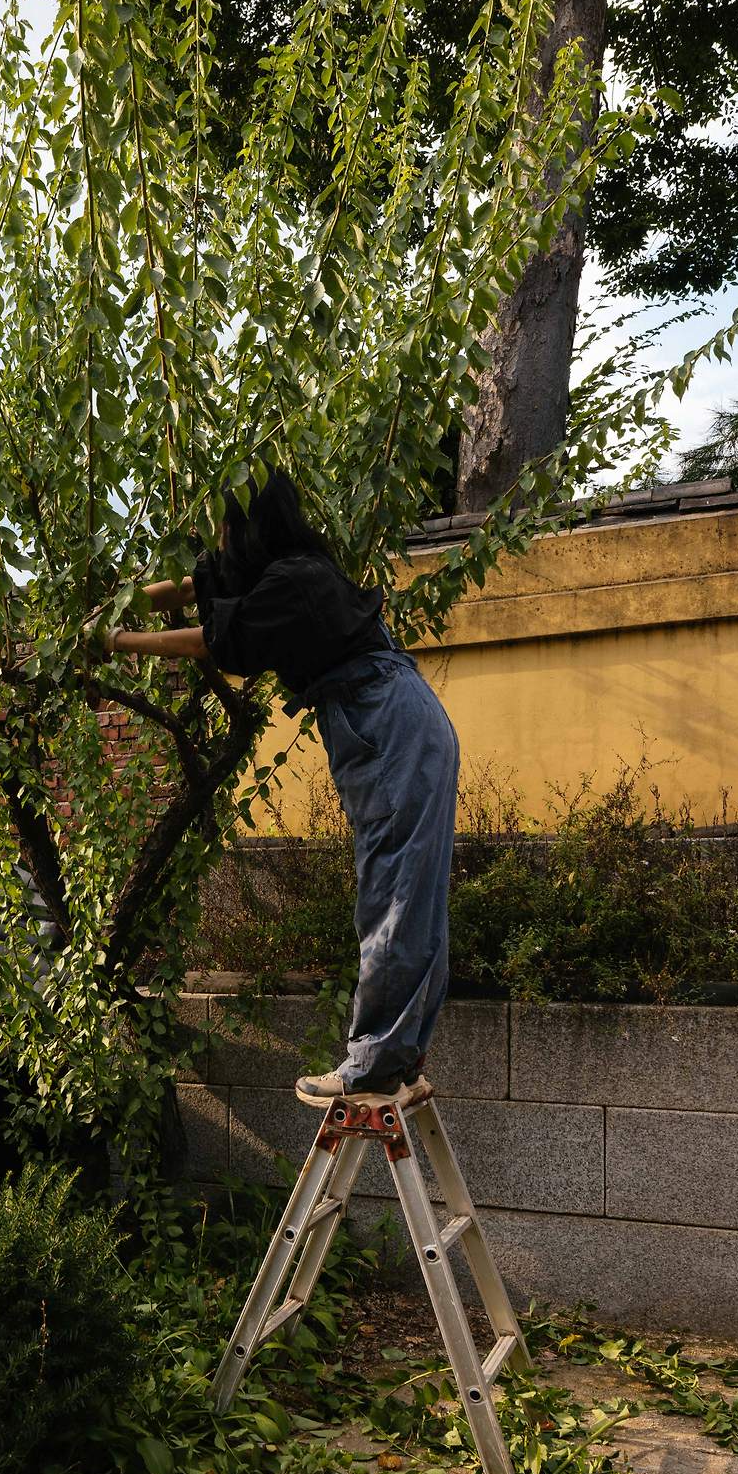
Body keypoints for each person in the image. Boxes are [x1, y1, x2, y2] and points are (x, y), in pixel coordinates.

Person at [97, 468, 459, 1109]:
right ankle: (397, 1057)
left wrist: (122, 640)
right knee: (411, 889)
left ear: (247, 526)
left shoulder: (293, 582)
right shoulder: (294, 569)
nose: (218, 539)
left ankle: (373, 1064)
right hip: (397, 717)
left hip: (385, 722)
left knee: (394, 891)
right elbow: (200, 587)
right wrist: (127, 601)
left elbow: (218, 641)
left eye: (224, 526)